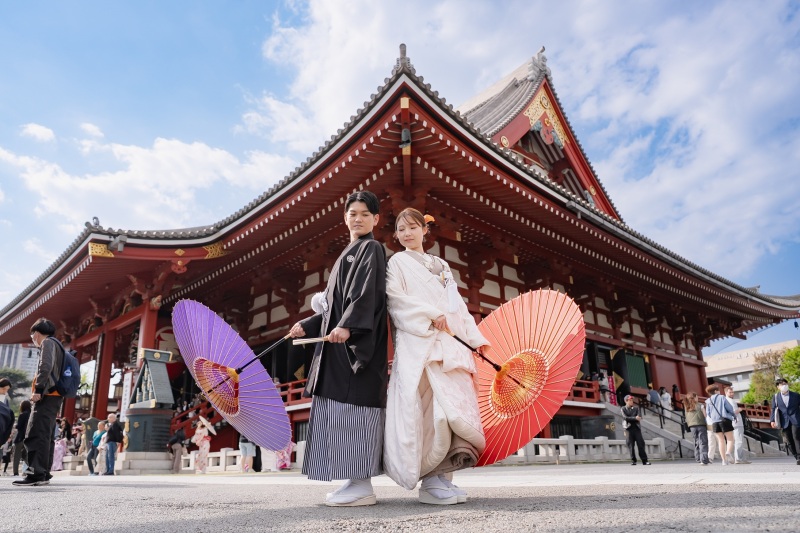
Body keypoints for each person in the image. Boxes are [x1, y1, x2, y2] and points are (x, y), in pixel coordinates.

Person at [289, 190, 388, 507]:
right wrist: (309, 324)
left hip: (356, 349)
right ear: (345, 218)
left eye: (364, 214)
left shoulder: (371, 249)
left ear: (375, 219)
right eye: (352, 213)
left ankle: (362, 484)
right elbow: (333, 308)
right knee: (336, 410)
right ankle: (352, 479)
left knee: (354, 410)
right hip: (338, 348)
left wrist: (349, 325)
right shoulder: (347, 254)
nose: (358, 219)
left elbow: (367, 295)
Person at [383, 208, 489, 505]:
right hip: (421, 344)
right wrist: (430, 314)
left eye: (412, 227)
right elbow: (396, 300)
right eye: (401, 229)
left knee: (454, 407)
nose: (406, 233)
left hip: (450, 343)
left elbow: (457, 306)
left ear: (424, 230)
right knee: (434, 413)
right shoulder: (397, 262)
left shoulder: (441, 264)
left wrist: (475, 339)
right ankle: (430, 480)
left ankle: (443, 477)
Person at [13, 318, 65, 487]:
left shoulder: (47, 343)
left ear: (36, 333)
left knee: (35, 432)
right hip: (55, 395)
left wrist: (38, 390)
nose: (33, 339)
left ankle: (35, 474)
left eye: (32, 335)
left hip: (47, 395)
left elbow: (45, 366)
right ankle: (43, 473)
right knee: (46, 434)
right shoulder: (58, 345)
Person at [770, 378, 800, 465]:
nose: (784, 386)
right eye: (782, 384)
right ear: (778, 387)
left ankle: (799, 457)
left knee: (796, 437)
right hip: (784, 421)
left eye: (785, 384)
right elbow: (773, 409)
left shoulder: (796, 395)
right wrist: (772, 420)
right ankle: (795, 455)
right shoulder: (776, 397)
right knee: (789, 440)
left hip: (796, 419)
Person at [705, 384, 735, 465]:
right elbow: (730, 408)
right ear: (715, 391)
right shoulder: (722, 397)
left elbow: (708, 413)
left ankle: (724, 461)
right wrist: (733, 415)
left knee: (720, 441)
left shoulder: (708, 401)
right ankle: (728, 452)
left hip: (715, 422)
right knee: (730, 439)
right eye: (718, 390)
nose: (719, 391)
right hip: (725, 420)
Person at [620, 395, 651, 465]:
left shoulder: (636, 408)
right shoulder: (623, 409)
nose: (632, 402)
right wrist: (634, 418)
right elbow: (625, 418)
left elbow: (639, 417)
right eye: (630, 400)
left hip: (636, 428)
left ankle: (645, 460)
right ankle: (633, 460)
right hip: (628, 429)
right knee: (630, 445)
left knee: (641, 444)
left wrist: (633, 418)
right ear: (626, 401)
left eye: (632, 400)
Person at [683, 392, 710, 465]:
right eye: (697, 397)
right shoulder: (700, 405)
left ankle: (698, 458)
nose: (697, 398)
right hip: (701, 425)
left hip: (692, 426)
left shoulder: (686, 406)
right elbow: (705, 415)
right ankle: (704, 459)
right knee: (703, 441)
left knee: (696, 441)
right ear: (694, 398)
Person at [725, 386, 750, 464]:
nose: (732, 394)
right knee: (739, 441)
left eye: (732, 392)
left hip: (731, 423)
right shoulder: (731, 401)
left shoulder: (725, 401)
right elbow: (733, 411)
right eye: (730, 392)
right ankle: (739, 458)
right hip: (737, 422)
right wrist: (739, 409)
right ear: (725, 392)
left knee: (734, 440)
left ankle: (738, 458)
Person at [12, 401, 31, 476]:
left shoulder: (22, 415)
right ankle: (28, 470)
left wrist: (15, 426)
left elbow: (19, 426)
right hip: (28, 438)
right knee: (26, 456)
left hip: (20, 438)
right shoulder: (31, 415)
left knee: (16, 456)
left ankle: (15, 472)